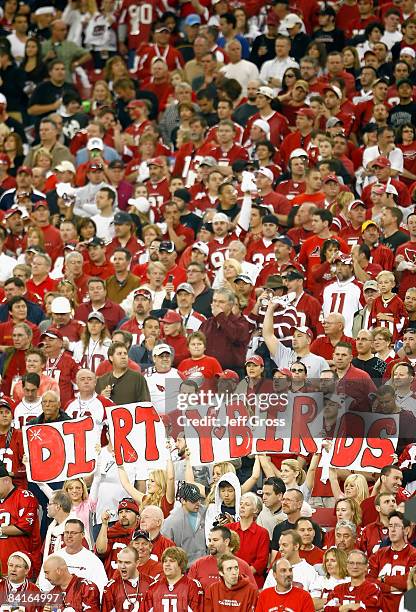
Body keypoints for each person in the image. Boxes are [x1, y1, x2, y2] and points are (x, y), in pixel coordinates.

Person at [39, 518, 107, 594]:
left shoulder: (93, 560)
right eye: (66, 532)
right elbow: (44, 586)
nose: (69, 536)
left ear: (82, 535)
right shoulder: (53, 558)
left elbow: (100, 589)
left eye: (73, 533)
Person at [0, 461, 40, 580]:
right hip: (2, 569)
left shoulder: (25, 496)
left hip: (22, 569)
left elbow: (23, 527)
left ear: (6, 480)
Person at [188, 525, 256, 591]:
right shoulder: (198, 564)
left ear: (226, 542)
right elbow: (188, 591)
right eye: (209, 540)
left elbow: (253, 594)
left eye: (215, 540)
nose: (210, 544)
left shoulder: (243, 566)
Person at [142, 546, 204, 612]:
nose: (167, 564)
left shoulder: (192, 586)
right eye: (165, 561)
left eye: (171, 561)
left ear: (181, 564)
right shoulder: (154, 587)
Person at [161, 482, 207, 566]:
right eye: (193, 500)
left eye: (198, 499)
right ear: (183, 501)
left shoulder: (206, 513)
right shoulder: (171, 522)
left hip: (205, 564)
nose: (197, 503)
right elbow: (166, 549)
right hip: (185, 568)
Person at [96, 497, 140, 578]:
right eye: (120, 512)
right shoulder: (112, 532)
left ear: (137, 516)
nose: (123, 515)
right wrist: (104, 524)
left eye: (128, 511)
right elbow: (101, 550)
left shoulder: (143, 535)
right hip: (113, 582)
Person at [102, 545, 152, 612]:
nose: (122, 566)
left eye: (127, 562)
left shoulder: (151, 584)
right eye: (120, 562)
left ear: (137, 563)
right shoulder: (110, 587)